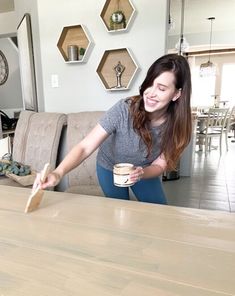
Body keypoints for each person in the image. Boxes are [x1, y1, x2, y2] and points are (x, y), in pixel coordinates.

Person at [35, 53, 192, 204]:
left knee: (159, 213)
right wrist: (58, 173)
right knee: (118, 210)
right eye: (150, 83)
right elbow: (85, 147)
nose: (150, 93)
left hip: (143, 170)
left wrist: (140, 173)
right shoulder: (124, 109)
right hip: (110, 167)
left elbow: (159, 165)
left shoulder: (179, 126)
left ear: (176, 94)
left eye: (161, 88)